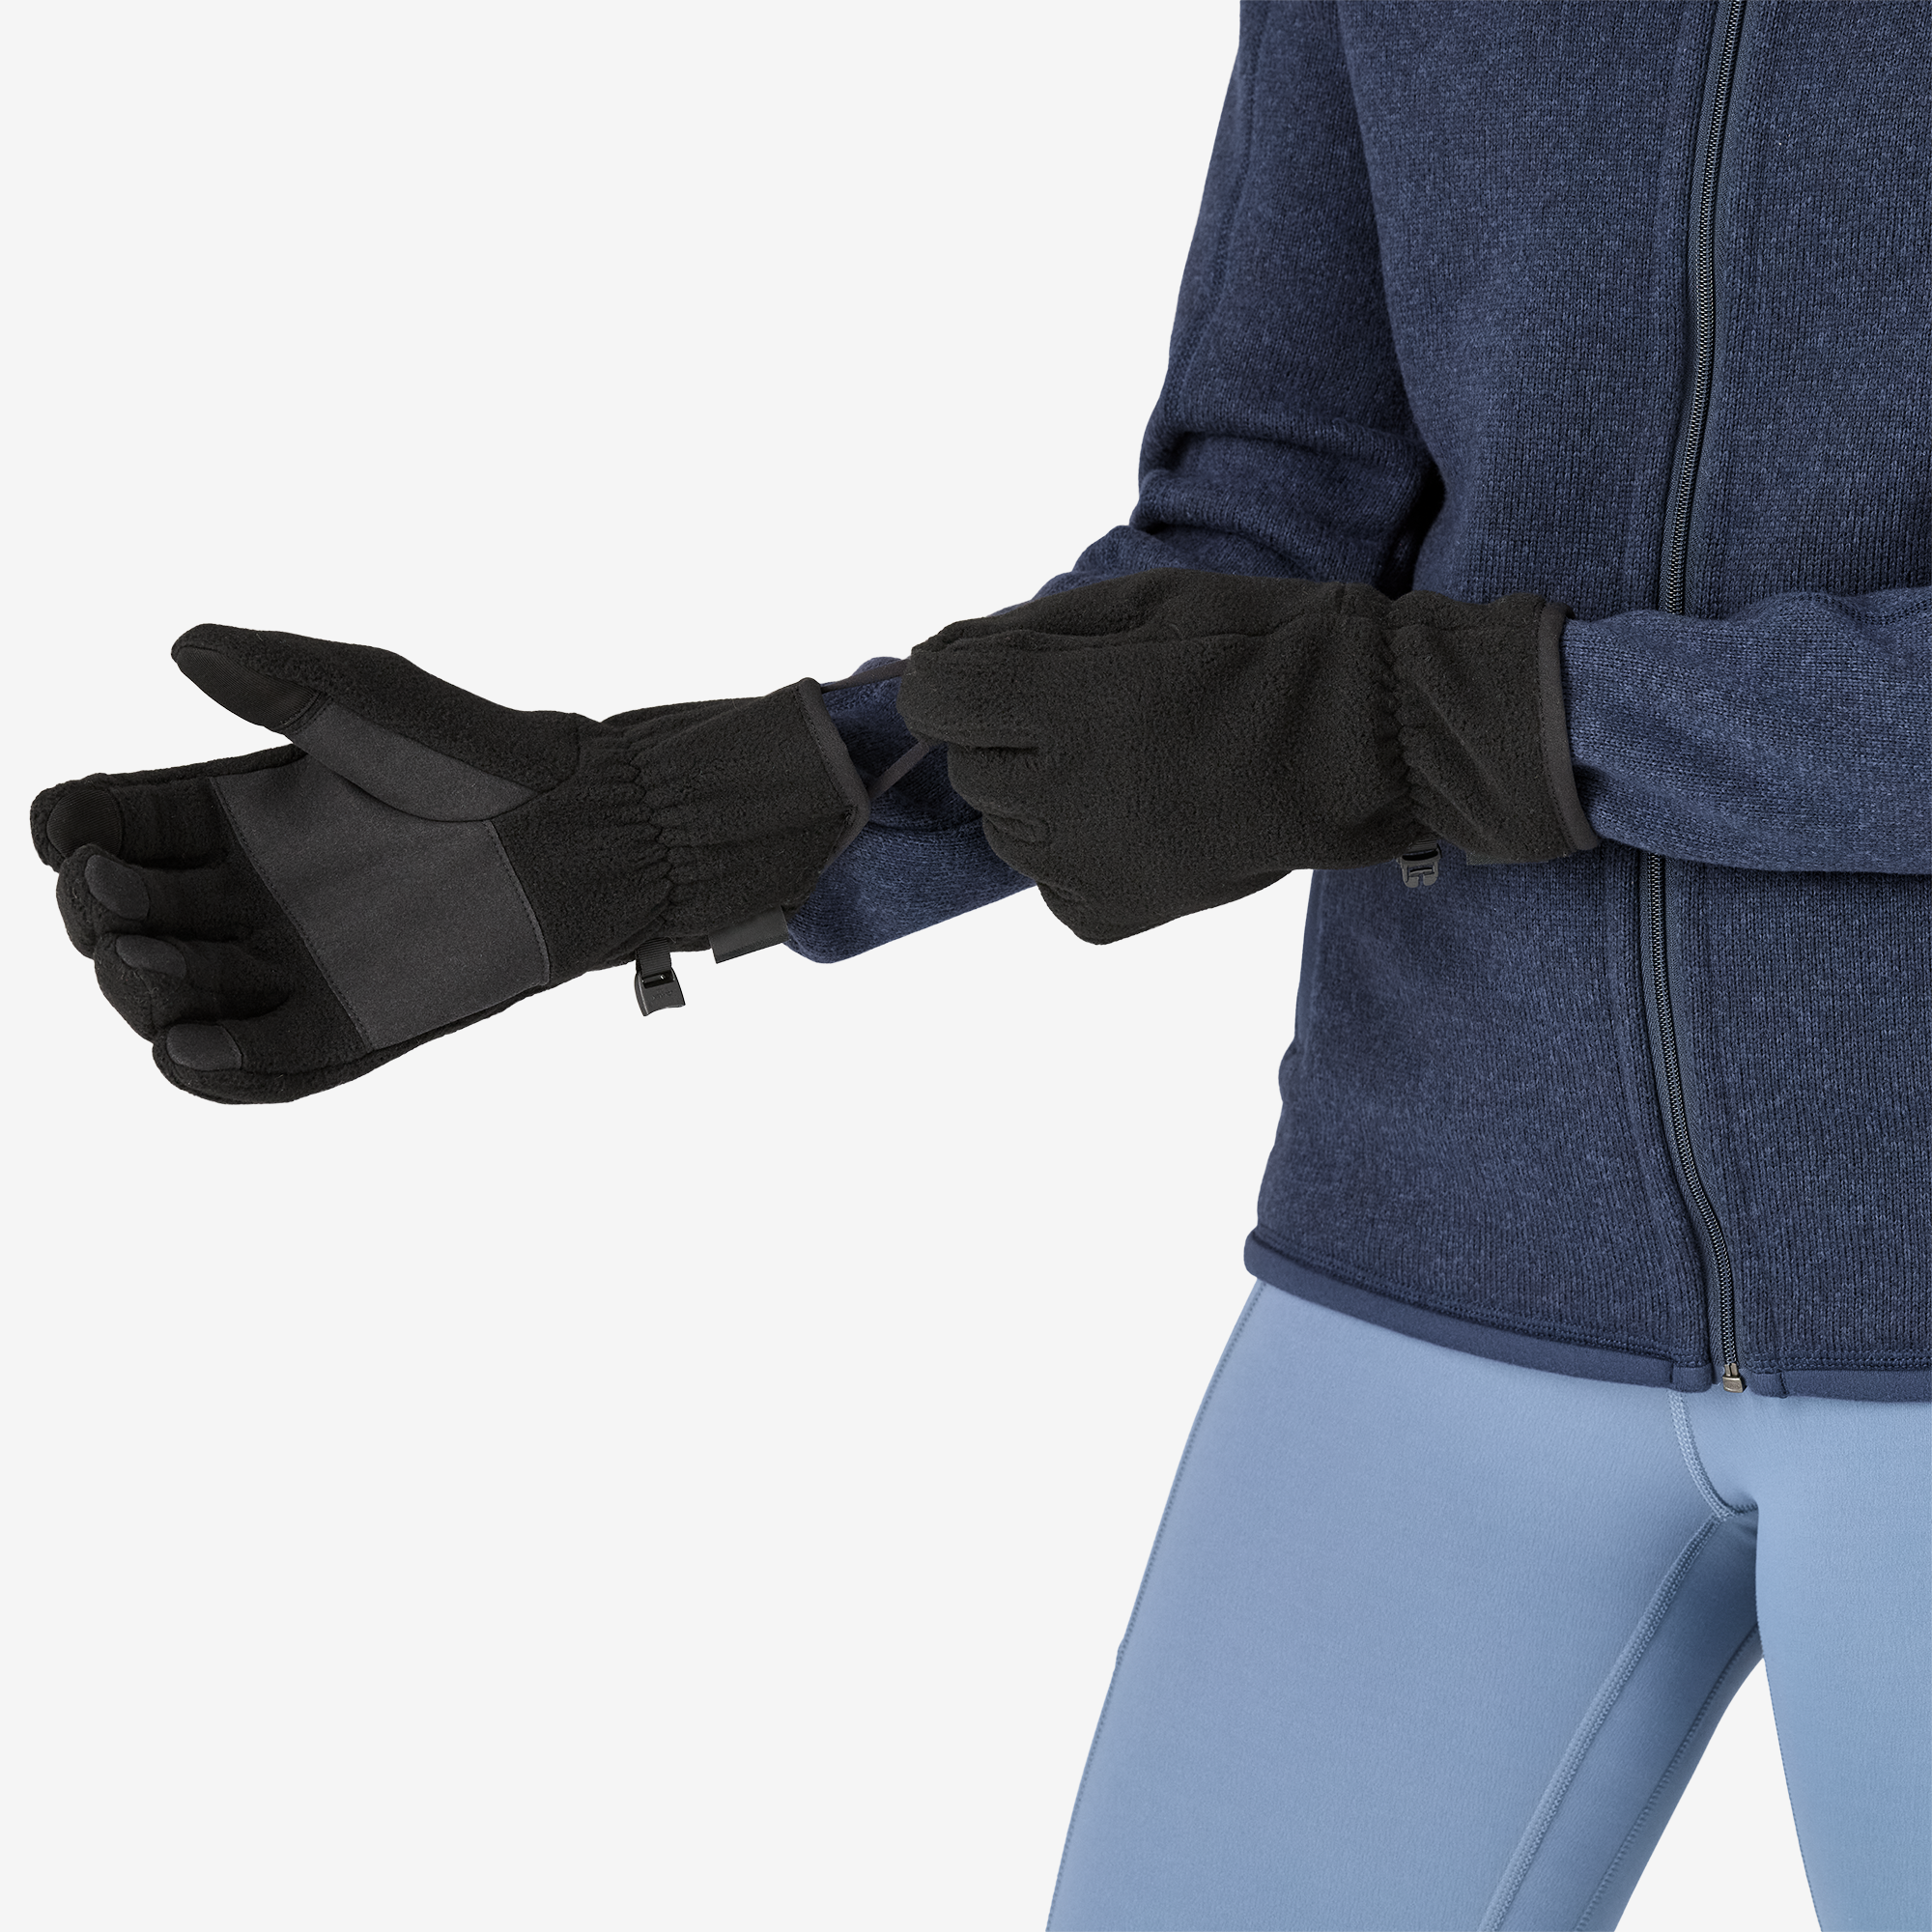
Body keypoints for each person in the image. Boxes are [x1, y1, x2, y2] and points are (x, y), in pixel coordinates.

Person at [28, 4, 1928, 1926]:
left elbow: (1363, 700)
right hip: (1442, 1240)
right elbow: (1261, 551)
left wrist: (1450, 720)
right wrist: (718, 820)